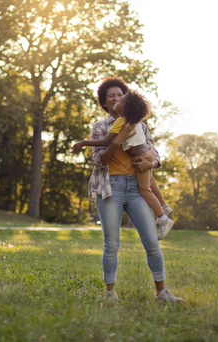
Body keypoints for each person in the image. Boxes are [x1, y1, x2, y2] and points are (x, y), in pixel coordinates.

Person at [84, 75, 182, 303]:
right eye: (111, 96)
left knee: (152, 241)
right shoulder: (100, 127)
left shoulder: (141, 125)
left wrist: (151, 163)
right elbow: (98, 161)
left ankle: (162, 293)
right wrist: (116, 142)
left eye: (120, 95)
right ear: (105, 103)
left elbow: (155, 154)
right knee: (112, 244)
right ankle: (110, 294)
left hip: (137, 189)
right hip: (110, 189)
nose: (116, 98)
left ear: (126, 99)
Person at [73, 89, 174, 240]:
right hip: (146, 154)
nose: (116, 101)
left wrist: (84, 143)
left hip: (142, 158)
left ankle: (163, 218)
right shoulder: (136, 121)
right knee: (151, 183)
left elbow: (105, 142)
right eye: (112, 97)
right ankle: (164, 206)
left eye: (120, 99)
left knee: (145, 190)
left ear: (126, 108)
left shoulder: (121, 122)